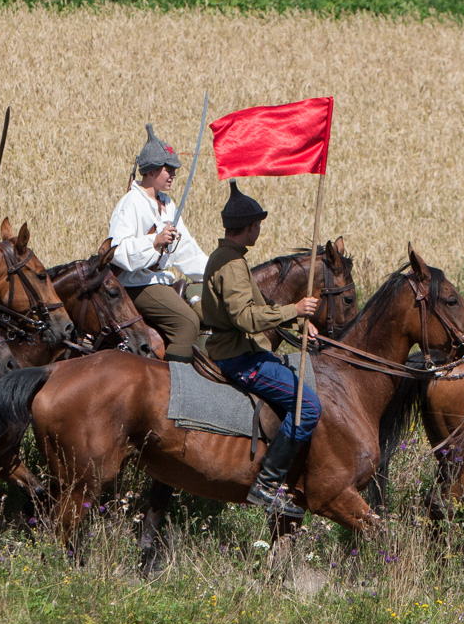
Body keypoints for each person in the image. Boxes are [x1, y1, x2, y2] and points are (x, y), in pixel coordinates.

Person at [200, 181, 319, 518]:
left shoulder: (230, 257)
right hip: (238, 357)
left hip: (245, 349)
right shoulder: (232, 265)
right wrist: (294, 310)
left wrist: (299, 323)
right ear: (251, 227)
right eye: (259, 225)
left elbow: (260, 306)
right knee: (307, 407)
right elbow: (245, 317)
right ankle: (266, 486)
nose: (260, 230)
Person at [108, 124, 208, 363]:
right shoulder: (131, 202)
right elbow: (117, 250)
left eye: (174, 169)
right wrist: (154, 242)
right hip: (138, 283)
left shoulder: (168, 203)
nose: (173, 174)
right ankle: (177, 385)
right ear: (151, 171)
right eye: (168, 169)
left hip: (160, 281)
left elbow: (185, 248)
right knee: (187, 322)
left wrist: (212, 272)